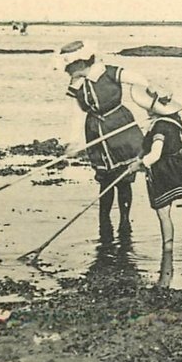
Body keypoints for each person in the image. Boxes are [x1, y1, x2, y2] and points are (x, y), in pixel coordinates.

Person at [58, 40, 149, 239]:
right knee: (105, 178)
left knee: (123, 178)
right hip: (96, 133)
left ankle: (125, 221)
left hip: (120, 129)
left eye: (69, 66)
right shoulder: (77, 84)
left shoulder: (108, 73)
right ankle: (104, 222)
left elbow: (141, 81)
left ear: (81, 63)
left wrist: (155, 102)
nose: (66, 70)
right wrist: (73, 142)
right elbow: (77, 114)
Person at [128, 88, 182, 288]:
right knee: (165, 212)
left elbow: (154, 154)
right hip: (174, 168)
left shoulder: (161, 127)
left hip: (165, 171)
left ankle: (168, 249)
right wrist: (138, 158)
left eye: (148, 109)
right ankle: (167, 252)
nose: (146, 112)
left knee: (163, 213)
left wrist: (140, 164)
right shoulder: (172, 122)